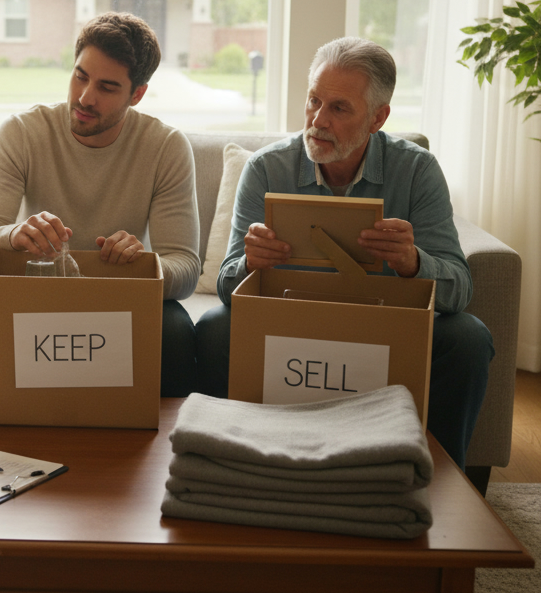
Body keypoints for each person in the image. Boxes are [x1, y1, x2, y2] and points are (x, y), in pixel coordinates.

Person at [194, 36, 492, 469]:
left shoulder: (416, 170)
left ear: (378, 117)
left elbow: (459, 289)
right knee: (217, 326)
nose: (318, 119)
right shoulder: (266, 169)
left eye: (339, 108)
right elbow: (227, 286)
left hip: (383, 322)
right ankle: (230, 466)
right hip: (292, 320)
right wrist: (249, 264)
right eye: (314, 100)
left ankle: (441, 483)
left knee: (468, 338)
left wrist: (412, 263)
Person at [0, 12, 201, 396]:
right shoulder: (22, 133)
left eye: (107, 87)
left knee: (175, 329)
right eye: (80, 76)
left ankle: (160, 452)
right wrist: (14, 235)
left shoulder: (166, 148)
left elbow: (185, 268)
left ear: (136, 94)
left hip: (121, 297)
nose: (85, 98)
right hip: (39, 292)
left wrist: (142, 263)